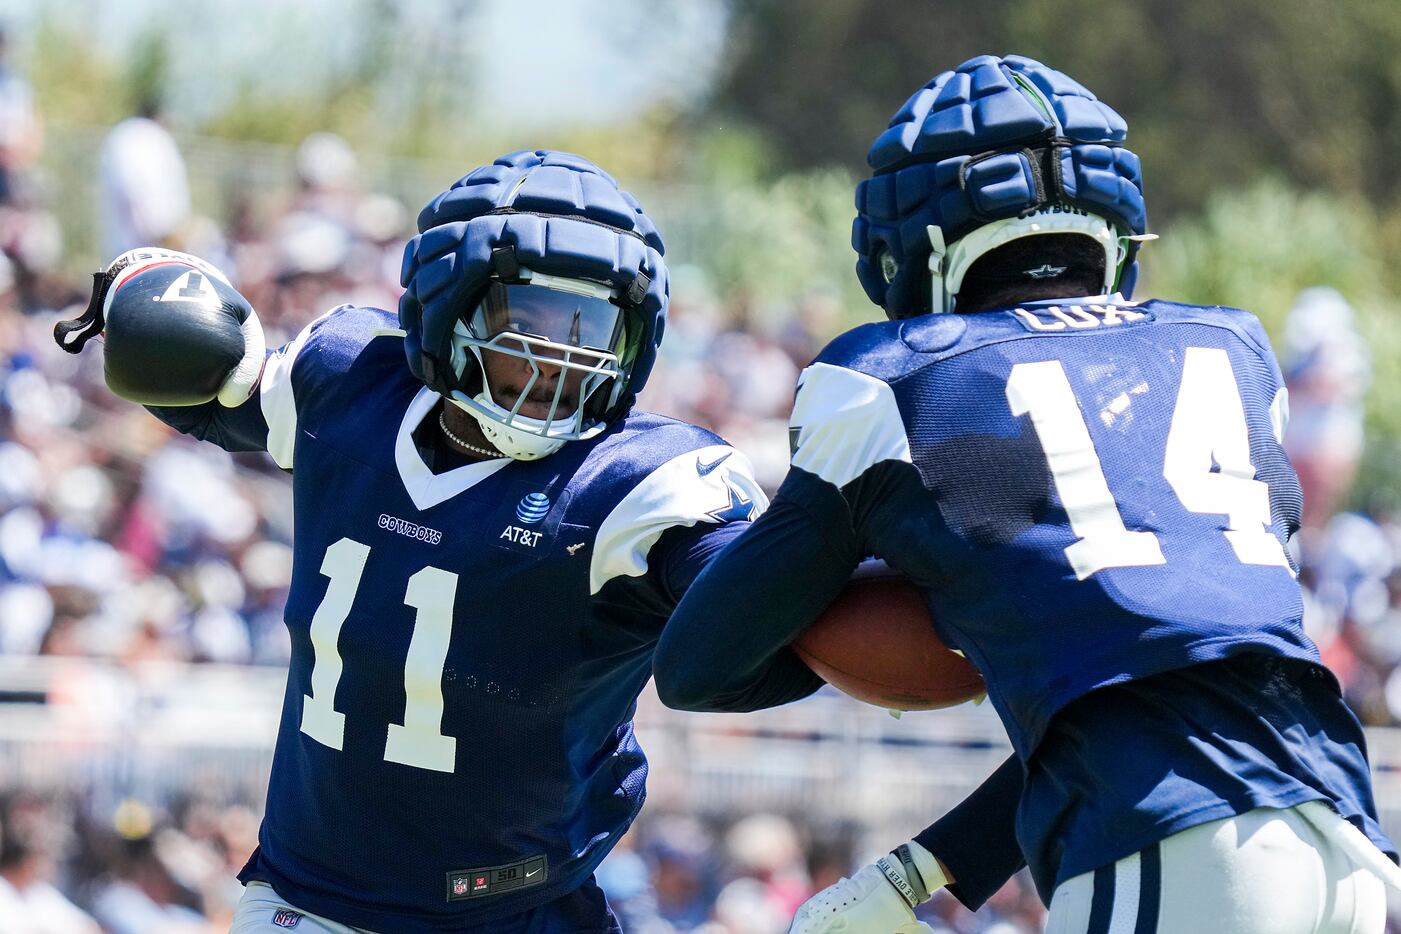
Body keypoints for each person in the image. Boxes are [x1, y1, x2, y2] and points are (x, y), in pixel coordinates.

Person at [654, 55, 1401, 933]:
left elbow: (700, 665)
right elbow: (1151, 691)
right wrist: (913, 874)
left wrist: (950, 630)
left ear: (909, 243)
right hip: (1345, 846)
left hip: (1177, 851)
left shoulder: (891, 377)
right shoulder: (1232, 352)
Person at [53, 150, 801, 932]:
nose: (563, 353)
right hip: (315, 905)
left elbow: (755, 595)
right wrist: (145, 294)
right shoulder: (348, 383)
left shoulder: (639, 480)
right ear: (448, 303)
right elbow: (213, 384)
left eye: (595, 323)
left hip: (522, 907)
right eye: (534, 317)